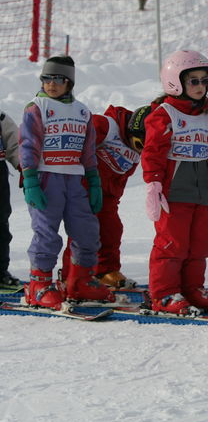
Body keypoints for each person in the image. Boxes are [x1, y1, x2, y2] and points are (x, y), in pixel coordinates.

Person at [19, 56, 112, 308]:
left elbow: (88, 149)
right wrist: (30, 180)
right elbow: (28, 144)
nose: (51, 84)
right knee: (47, 232)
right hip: (46, 177)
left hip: (75, 178)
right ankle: (39, 284)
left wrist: (93, 182)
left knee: (87, 230)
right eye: (46, 79)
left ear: (69, 82)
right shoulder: (36, 106)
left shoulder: (82, 111)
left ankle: (80, 281)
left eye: (58, 79)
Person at [142, 50, 208, 316]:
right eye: (194, 81)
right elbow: (153, 151)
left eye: (204, 81)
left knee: (200, 244)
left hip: (199, 193)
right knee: (172, 245)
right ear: (175, 82)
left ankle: (193, 289)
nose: (201, 87)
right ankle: (164, 294)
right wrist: (154, 184)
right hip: (174, 193)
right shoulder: (164, 114)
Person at [61, 104, 152, 289]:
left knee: (112, 229)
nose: (142, 151)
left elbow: (120, 176)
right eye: (140, 145)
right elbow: (80, 136)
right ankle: (71, 275)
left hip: (108, 197)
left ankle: (105, 271)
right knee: (83, 231)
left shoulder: (140, 146)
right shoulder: (109, 126)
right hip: (84, 189)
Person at [1, 108, 21, 288]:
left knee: (1, 224)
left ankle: (0, 271)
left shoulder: (1, 118)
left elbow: (15, 144)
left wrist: (24, 168)